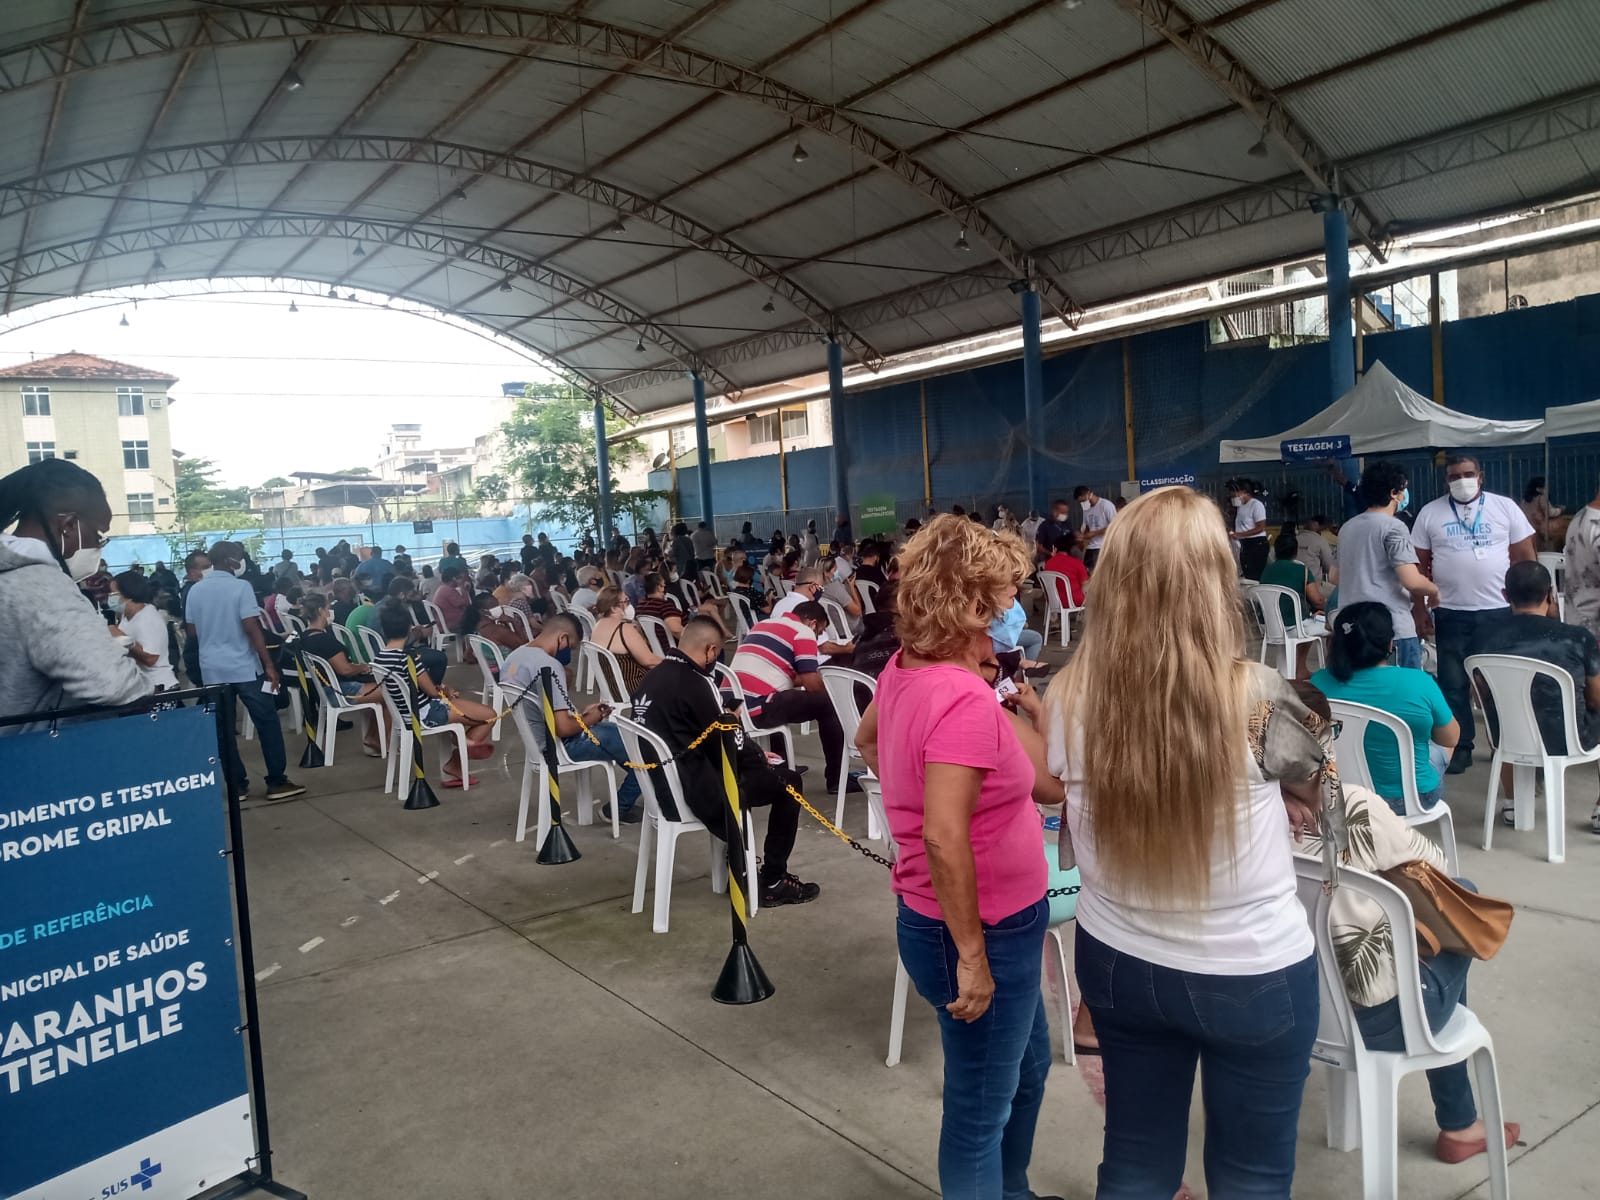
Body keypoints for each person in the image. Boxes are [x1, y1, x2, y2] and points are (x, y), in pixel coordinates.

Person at [1045, 486, 1321, 1198]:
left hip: (1118, 963)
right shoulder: (1257, 694)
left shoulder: (1068, 696)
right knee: (1251, 1174)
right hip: (1252, 969)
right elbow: (1319, 790)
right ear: (1216, 579)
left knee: (1135, 1161)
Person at [852, 513, 1062, 1200]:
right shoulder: (963, 698)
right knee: (977, 1113)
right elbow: (945, 835)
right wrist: (971, 952)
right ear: (970, 602)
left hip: (986, 923)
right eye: (1001, 600)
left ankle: (1014, 1190)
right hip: (979, 932)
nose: (1010, 612)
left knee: (1024, 1074)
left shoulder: (906, 668)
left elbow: (867, 741)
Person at [1291, 683, 1519, 1166]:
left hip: (1296, 1012)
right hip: (1381, 1022)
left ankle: (1459, 1120)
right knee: (1467, 893)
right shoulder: (1354, 807)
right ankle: (1460, 1121)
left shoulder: (1240, 819)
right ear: (1325, 737)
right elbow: (1435, 875)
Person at [632, 617, 820, 903]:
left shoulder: (653, 678)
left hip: (661, 785)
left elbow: (704, 735)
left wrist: (751, 751)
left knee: (762, 768)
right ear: (710, 650)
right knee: (788, 782)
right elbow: (726, 739)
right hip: (698, 790)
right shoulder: (696, 683)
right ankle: (773, 879)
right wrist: (757, 756)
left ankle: (743, 863)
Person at [1412, 454, 1537, 774]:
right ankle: (1462, 747)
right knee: (1452, 683)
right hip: (1451, 612)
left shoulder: (1504, 507)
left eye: (1467, 474)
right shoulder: (1430, 513)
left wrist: (1530, 605)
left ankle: (1503, 745)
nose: (1461, 481)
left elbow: (1524, 556)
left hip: (1499, 611)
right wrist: (1420, 609)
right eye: (1454, 476)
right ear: (1446, 481)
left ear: (1480, 476)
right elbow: (1419, 565)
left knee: (1497, 682)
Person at [0, 460, 151, 722]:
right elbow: (114, 685)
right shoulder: (42, 585)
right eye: (98, 534)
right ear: (67, 525)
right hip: (38, 754)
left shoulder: (9, 576)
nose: (99, 545)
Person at [1476, 560, 1600, 829]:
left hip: (1509, 738)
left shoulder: (1485, 640)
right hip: (1569, 738)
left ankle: (1512, 802)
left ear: (1505, 596)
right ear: (1550, 594)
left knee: (1503, 713)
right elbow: (1595, 699)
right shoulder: (1577, 638)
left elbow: (1482, 698)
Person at [1310, 601, 1458, 817]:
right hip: (1410, 799)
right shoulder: (1419, 682)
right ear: (1390, 644)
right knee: (1440, 742)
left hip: (1341, 795)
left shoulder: (1318, 683)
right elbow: (1450, 739)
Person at [186, 541, 305, 801]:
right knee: (267, 722)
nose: (243, 562)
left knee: (224, 730)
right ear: (230, 561)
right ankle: (276, 781)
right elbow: (251, 627)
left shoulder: (195, 591)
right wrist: (269, 665)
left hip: (212, 670)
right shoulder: (241, 587)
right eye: (239, 557)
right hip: (244, 667)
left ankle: (237, 785)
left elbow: (192, 632)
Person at [501, 613, 643, 822]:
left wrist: (583, 714)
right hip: (561, 745)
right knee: (639, 743)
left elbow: (551, 713)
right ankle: (619, 807)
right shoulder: (549, 665)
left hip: (537, 742)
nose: (570, 652)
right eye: (572, 646)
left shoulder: (515, 657)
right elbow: (562, 728)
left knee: (622, 738)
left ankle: (636, 788)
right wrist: (592, 718)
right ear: (562, 638)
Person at [732, 601, 857, 798]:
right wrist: (833, 688)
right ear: (813, 624)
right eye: (819, 632)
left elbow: (781, 673)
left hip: (736, 708)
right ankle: (837, 778)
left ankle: (781, 765)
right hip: (760, 707)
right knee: (829, 703)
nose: (816, 638)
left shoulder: (762, 626)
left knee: (783, 699)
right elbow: (812, 685)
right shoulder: (803, 632)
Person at [372, 601, 495, 788]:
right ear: (408, 628)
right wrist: (446, 690)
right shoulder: (409, 658)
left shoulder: (379, 658)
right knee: (490, 715)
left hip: (403, 714)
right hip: (426, 713)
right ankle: (457, 756)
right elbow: (432, 692)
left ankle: (463, 742)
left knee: (468, 712)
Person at [1334, 461, 1438, 669]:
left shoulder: (1347, 527)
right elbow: (1411, 580)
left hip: (1353, 629)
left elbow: (1335, 576)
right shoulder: (1394, 528)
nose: (1405, 494)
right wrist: (1435, 591)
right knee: (1401, 695)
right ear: (1393, 493)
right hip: (1391, 632)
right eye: (1403, 489)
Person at [294, 594, 384, 756]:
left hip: (322, 690)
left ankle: (374, 737)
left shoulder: (304, 637)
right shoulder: (325, 640)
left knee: (379, 693)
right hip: (340, 691)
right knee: (391, 692)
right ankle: (378, 739)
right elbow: (345, 670)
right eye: (328, 609)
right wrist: (362, 667)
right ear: (321, 611)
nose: (330, 612)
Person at [112, 570, 178, 692]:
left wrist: (123, 639)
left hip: (159, 686)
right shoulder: (125, 617)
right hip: (140, 686)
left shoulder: (148, 617)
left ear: (128, 593)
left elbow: (151, 659)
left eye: (113, 593)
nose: (110, 597)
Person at [591, 584, 662, 695]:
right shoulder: (623, 629)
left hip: (609, 688)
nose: (629, 605)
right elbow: (649, 661)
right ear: (613, 608)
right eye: (626, 601)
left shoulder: (597, 625)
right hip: (632, 687)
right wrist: (672, 663)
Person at [1228, 478, 1270, 579]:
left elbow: (1261, 527)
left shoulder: (1256, 505)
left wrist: (1239, 535)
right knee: (1246, 573)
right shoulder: (1240, 506)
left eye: (1235, 494)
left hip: (1256, 544)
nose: (1233, 496)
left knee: (1255, 575)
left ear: (1244, 492)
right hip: (1244, 544)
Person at [1075, 485, 1117, 571]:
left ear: (1088, 495)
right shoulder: (1087, 510)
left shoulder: (1105, 505)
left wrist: (1094, 533)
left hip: (1104, 547)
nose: (1082, 504)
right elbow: (1087, 526)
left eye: (1082, 501)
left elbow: (1114, 526)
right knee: (1088, 573)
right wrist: (1082, 536)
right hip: (1091, 548)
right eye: (1080, 502)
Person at [1041, 534, 1088, 609]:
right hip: (1075, 601)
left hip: (1053, 601)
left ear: (1055, 548)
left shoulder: (1048, 563)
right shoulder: (1077, 563)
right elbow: (1085, 585)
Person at [1521, 475, 1566, 551]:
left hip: (1527, 529)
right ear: (1539, 489)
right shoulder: (1541, 497)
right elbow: (1550, 512)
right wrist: (1561, 509)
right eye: (1545, 487)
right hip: (1539, 528)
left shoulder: (1524, 500)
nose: (1547, 489)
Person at [1294, 516, 1335, 584]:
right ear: (1319, 526)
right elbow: (1328, 565)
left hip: (1294, 584)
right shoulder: (1320, 540)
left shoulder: (1294, 539)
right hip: (1313, 584)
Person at [1034, 498, 1076, 564]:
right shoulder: (1045, 526)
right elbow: (1039, 546)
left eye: (1066, 512)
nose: (1065, 515)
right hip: (1050, 559)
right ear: (1054, 512)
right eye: (1063, 513)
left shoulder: (1068, 524)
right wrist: (1051, 553)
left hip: (1067, 559)